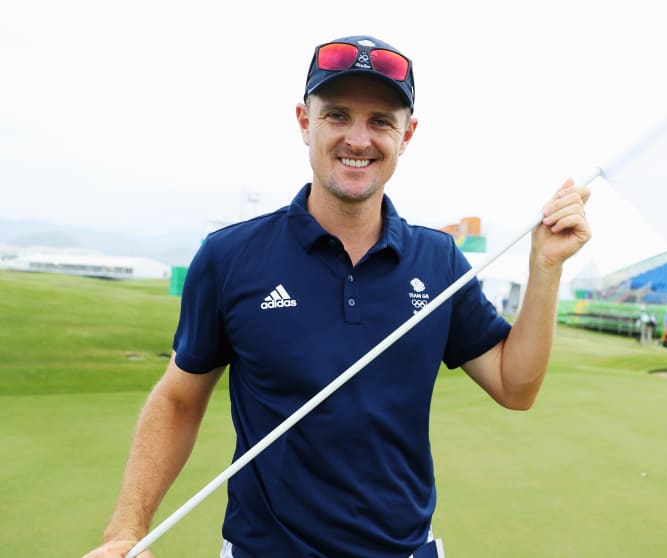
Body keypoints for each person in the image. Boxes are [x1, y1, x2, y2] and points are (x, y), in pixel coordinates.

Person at [84, 34, 591, 558]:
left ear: (407, 134)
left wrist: (546, 268)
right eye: (338, 115)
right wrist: (125, 531)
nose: (358, 138)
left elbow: (516, 385)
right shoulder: (230, 256)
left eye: (380, 122)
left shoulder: (437, 261)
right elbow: (179, 397)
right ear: (305, 122)